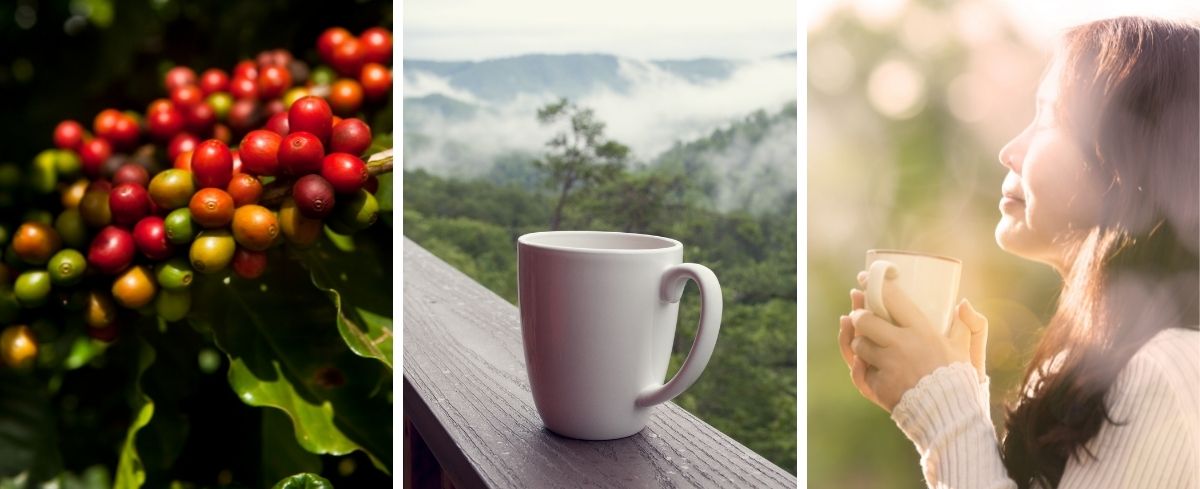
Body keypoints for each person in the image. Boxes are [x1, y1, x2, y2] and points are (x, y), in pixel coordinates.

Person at [837, 16, 1200, 489]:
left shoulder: (1164, 374)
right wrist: (950, 390)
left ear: (1132, 158)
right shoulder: (1094, 366)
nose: (1009, 150)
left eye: (1050, 119)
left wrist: (945, 409)